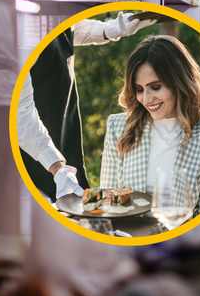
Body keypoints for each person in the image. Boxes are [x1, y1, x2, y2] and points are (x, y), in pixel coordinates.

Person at [17, 12, 155, 201]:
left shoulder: (51, 8)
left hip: (64, 122)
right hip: (33, 144)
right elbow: (20, 111)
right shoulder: (19, 27)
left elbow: (67, 27)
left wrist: (110, 29)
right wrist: (57, 167)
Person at [99, 35, 200, 217]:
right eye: (139, 89)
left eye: (155, 87)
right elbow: (108, 204)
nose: (146, 99)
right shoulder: (118, 126)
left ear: (179, 82)